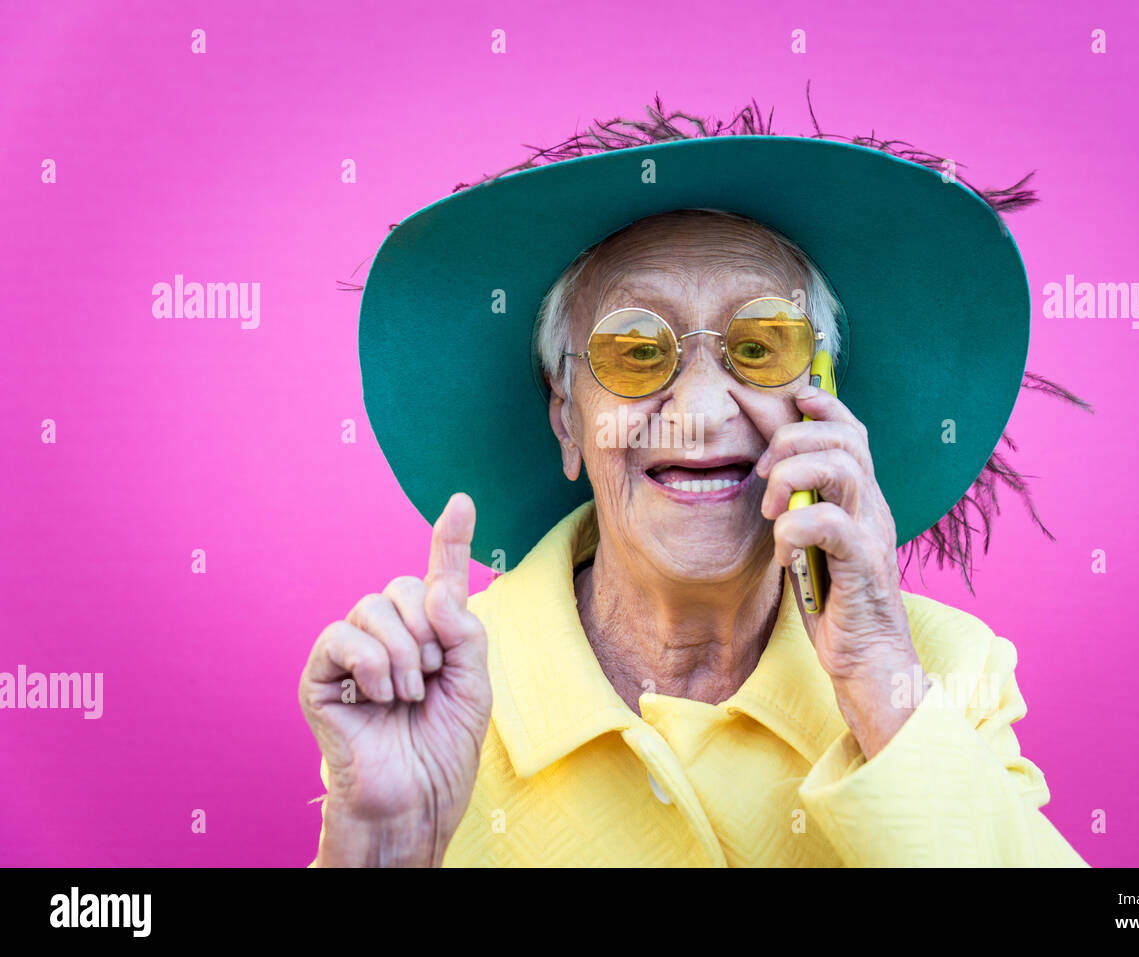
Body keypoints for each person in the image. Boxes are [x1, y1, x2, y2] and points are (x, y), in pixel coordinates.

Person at [299, 98, 1092, 866]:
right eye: (636, 348)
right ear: (567, 419)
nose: (706, 412)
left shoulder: (938, 670)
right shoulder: (439, 695)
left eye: (762, 343)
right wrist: (383, 854)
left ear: (823, 401)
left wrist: (881, 689)